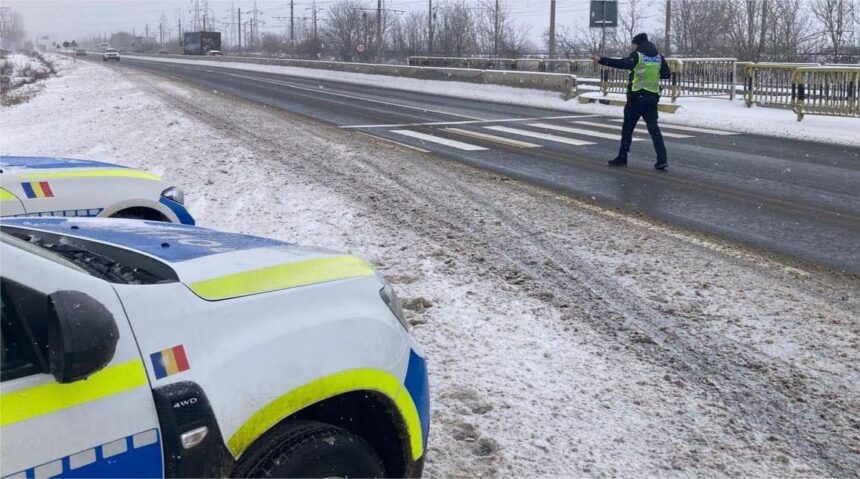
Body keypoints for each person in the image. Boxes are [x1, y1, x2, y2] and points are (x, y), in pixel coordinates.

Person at [592, 33, 672, 170]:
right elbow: (666, 74)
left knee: (627, 129)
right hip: (652, 98)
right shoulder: (658, 57)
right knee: (654, 130)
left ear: (637, 43)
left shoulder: (638, 55)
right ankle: (662, 159)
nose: (633, 46)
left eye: (633, 44)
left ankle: (622, 157)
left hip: (636, 98)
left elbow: (622, 63)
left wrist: (601, 60)